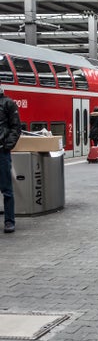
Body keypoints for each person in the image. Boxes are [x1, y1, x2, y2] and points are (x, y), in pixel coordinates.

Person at [0, 85, 22, 233]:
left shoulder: (8, 103)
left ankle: (9, 221)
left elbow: (16, 127)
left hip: (2, 151)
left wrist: (7, 145)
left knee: (6, 189)